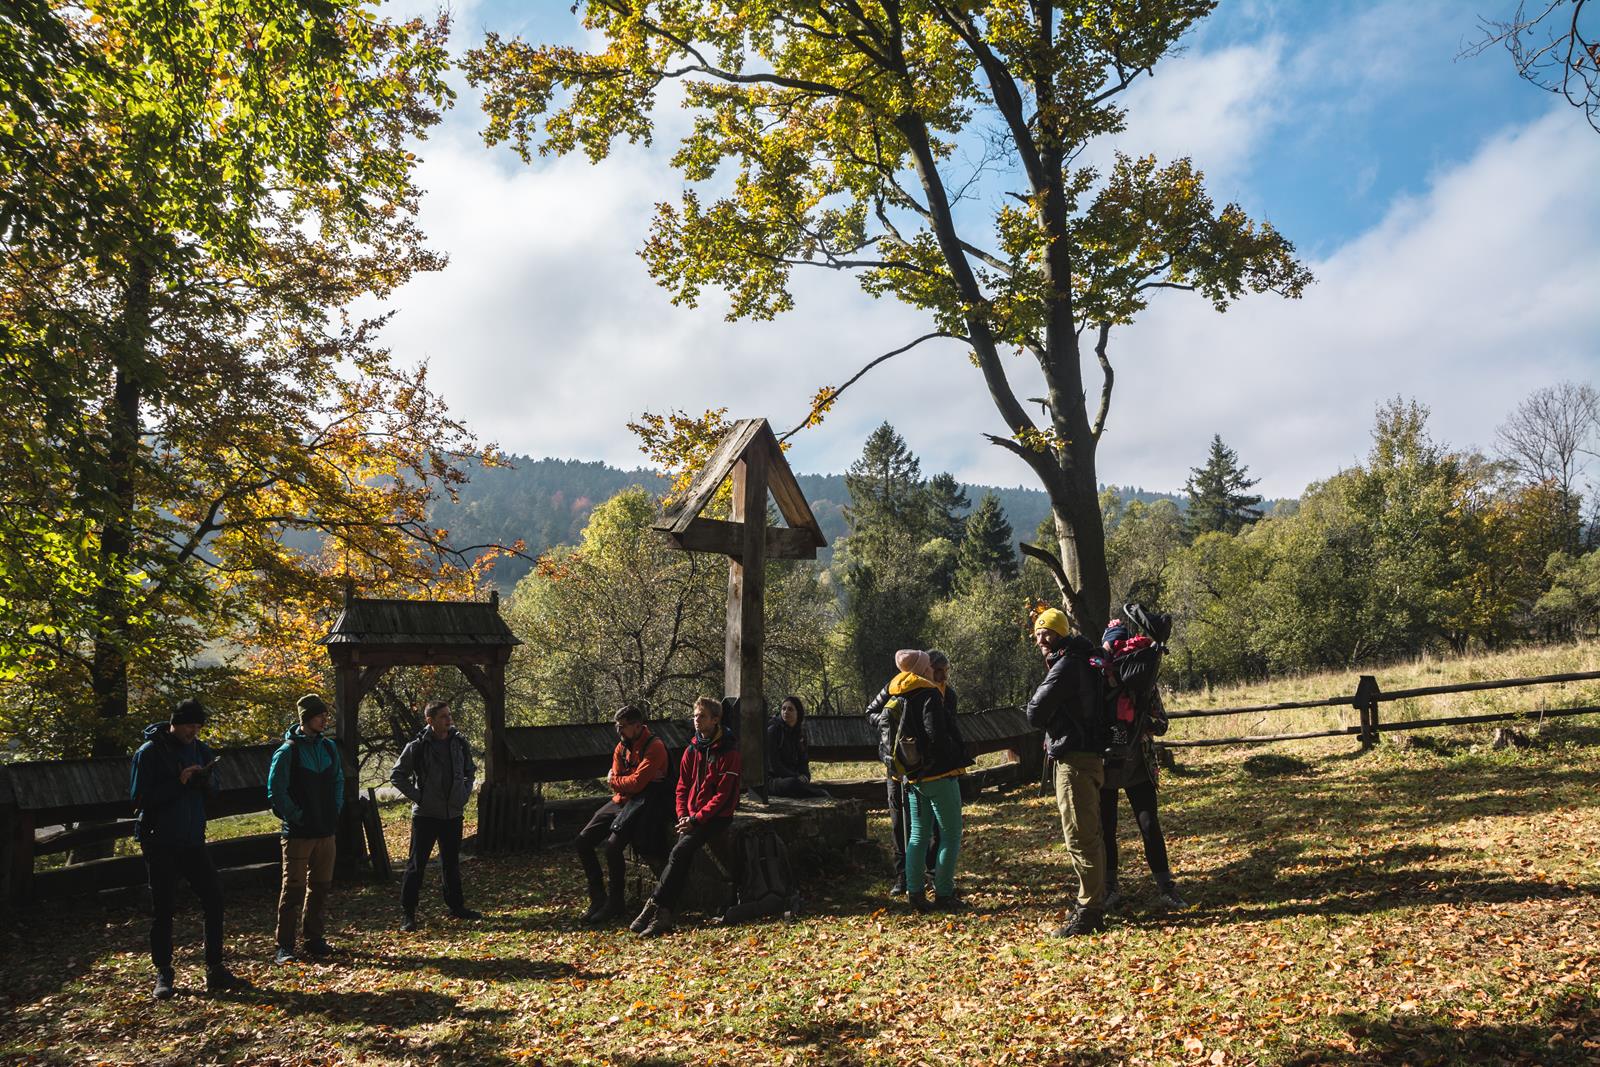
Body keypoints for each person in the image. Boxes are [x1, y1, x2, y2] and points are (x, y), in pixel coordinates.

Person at [129, 698, 244, 999]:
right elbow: (139, 800)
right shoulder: (150, 753)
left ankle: (215, 968)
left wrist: (204, 781)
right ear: (175, 723)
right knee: (164, 908)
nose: (194, 730)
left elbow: (215, 790)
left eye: (198, 725)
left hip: (193, 839)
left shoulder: (200, 749)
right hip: (160, 841)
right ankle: (164, 972)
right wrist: (179, 783)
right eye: (190, 725)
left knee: (214, 898)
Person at [1025, 607, 1110, 937]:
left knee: (1080, 836)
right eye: (1037, 634)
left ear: (1061, 633)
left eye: (1047, 632)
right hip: (1090, 756)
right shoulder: (1086, 660)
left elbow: (1034, 712)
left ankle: (1089, 912)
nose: (1042, 639)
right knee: (1091, 833)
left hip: (1074, 760)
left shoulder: (1066, 666)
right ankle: (1093, 901)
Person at [631, 696, 741, 937]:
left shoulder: (728, 751)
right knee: (682, 854)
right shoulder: (692, 749)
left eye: (701, 716)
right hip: (691, 816)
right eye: (695, 716)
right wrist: (683, 815)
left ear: (715, 720)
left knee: (680, 851)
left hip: (716, 817)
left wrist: (696, 820)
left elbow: (722, 796)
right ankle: (663, 914)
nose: (696, 720)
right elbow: (682, 786)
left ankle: (655, 906)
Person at [1097, 620, 1187, 910]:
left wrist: (1138, 720)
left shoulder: (1144, 683)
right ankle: (1110, 888)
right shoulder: (1096, 681)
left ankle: (1166, 887)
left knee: (1149, 826)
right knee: (1105, 829)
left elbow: (1162, 724)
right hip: (1105, 767)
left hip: (1139, 767)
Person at [390, 701, 483, 931]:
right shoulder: (417, 747)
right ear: (429, 720)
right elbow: (397, 775)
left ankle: (457, 907)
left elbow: (470, 771)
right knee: (416, 865)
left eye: (449, 715)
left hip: (453, 814)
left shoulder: (459, 743)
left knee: (451, 863)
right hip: (425, 816)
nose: (449, 720)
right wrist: (419, 798)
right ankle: (408, 915)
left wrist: (463, 793)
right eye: (443, 717)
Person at [267, 693, 344, 963]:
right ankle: (284, 946)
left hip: (325, 831)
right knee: (294, 890)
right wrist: (297, 816)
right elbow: (276, 791)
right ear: (306, 718)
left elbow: (338, 782)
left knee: (321, 887)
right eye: (319, 715)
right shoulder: (288, 751)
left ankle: (314, 938)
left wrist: (334, 811)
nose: (325, 719)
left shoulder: (329, 748)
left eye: (325, 715)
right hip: (298, 833)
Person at [575, 704, 669, 925]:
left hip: (641, 803)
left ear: (637, 726)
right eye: (618, 726)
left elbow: (636, 783)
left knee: (612, 847)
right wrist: (622, 782)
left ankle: (615, 902)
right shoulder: (621, 747)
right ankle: (598, 897)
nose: (620, 731)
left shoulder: (655, 746)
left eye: (623, 726)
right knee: (582, 841)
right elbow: (622, 782)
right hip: (621, 800)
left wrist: (620, 781)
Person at [894, 649, 973, 911]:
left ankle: (915, 893)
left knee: (918, 835)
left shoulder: (898, 691)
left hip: (914, 775)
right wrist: (955, 753)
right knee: (951, 835)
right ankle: (944, 894)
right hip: (939, 774)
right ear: (923, 669)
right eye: (928, 665)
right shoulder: (928, 693)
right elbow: (935, 734)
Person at [867, 677, 939, 897]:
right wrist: (891, 721)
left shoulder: (931, 689)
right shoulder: (892, 687)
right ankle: (903, 875)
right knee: (900, 822)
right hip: (895, 766)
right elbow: (870, 713)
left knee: (928, 823)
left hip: (924, 768)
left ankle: (930, 871)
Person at [766, 695, 828, 798]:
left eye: (790, 709)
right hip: (773, 780)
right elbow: (774, 766)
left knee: (798, 783)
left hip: (793, 777)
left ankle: (819, 793)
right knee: (792, 784)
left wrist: (806, 776)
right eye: (783, 708)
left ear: (798, 713)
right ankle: (818, 794)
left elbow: (803, 760)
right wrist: (796, 776)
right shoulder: (773, 731)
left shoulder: (800, 734)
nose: (785, 712)